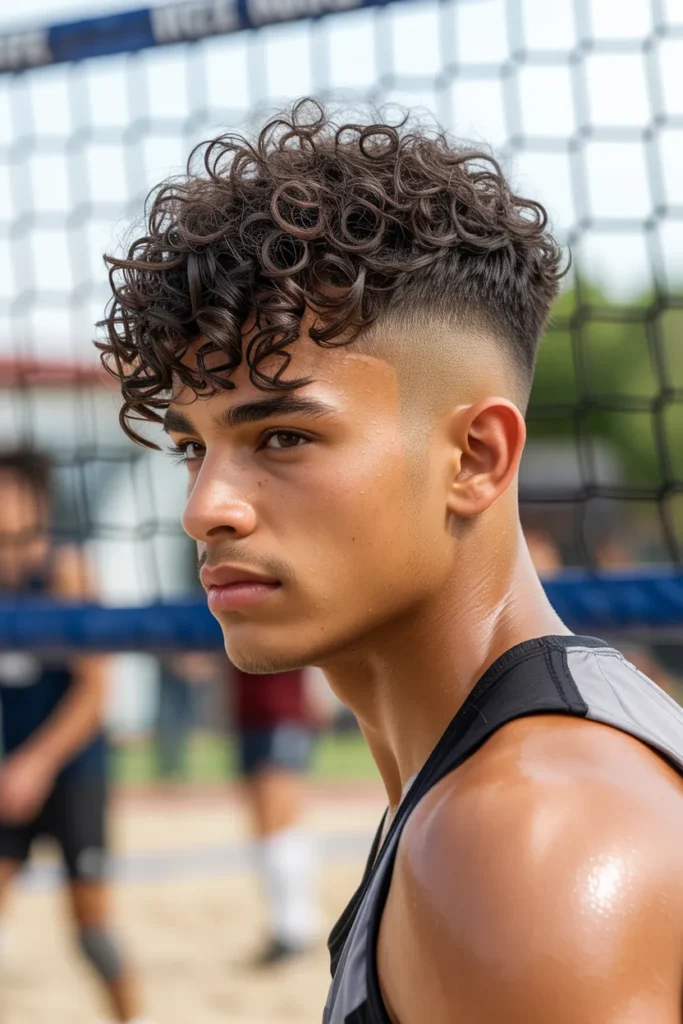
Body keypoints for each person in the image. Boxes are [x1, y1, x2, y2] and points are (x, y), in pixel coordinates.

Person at [100, 99, 683, 1023]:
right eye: (191, 448)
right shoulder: (501, 779)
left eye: (283, 436)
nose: (206, 507)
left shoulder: (528, 838)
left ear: (475, 459)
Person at [0, 450, 150, 1024]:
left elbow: (94, 693)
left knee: (91, 931)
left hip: (70, 771)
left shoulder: (67, 569)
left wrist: (35, 764)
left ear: (36, 502)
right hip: (11, 770)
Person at [229, 664, 322, 965]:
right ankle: (290, 924)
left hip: (281, 713)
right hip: (251, 712)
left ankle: (294, 926)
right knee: (267, 826)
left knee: (278, 823)